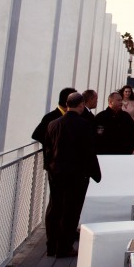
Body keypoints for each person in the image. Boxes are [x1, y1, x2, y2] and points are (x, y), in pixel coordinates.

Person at [44, 93, 101, 257]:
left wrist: (49, 167)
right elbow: (89, 151)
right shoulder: (84, 125)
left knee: (54, 207)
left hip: (55, 173)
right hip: (77, 174)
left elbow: (47, 149)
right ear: (81, 105)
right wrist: (95, 173)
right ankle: (64, 247)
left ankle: (51, 246)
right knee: (71, 210)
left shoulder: (53, 124)